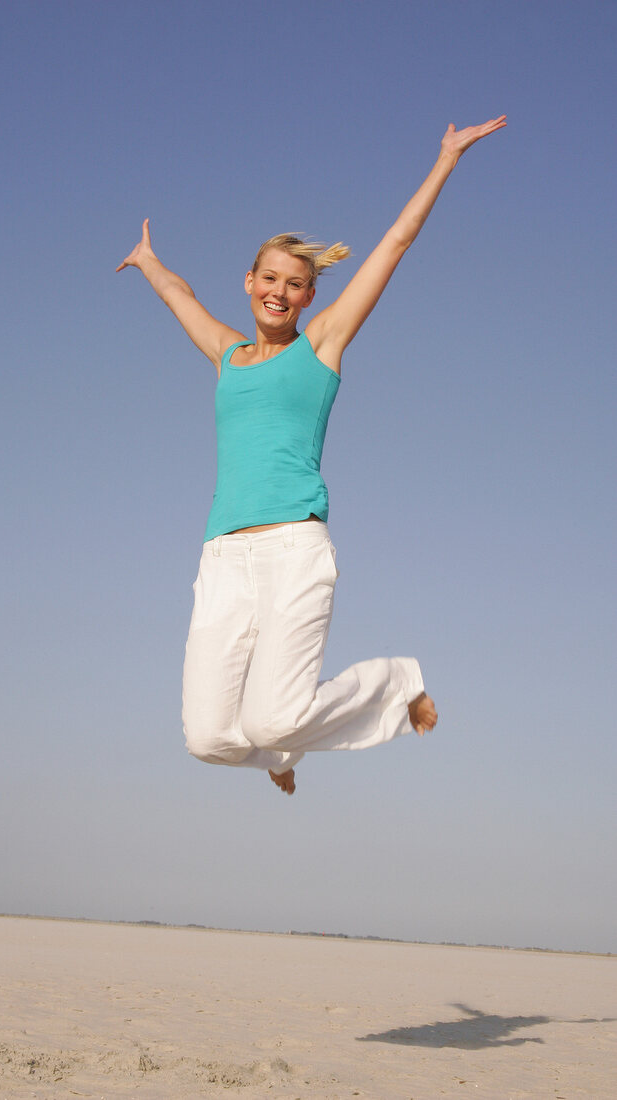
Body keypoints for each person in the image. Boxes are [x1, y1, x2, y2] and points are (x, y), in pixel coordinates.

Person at [117, 116, 506, 795]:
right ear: (248, 281)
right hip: (222, 557)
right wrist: (150, 262)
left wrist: (444, 159)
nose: (279, 291)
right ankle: (280, 757)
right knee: (207, 739)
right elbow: (179, 296)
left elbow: (394, 244)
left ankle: (396, 682)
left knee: (272, 719)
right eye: (268, 278)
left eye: (294, 283)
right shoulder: (227, 354)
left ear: (309, 295)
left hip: (295, 548)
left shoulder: (319, 346)